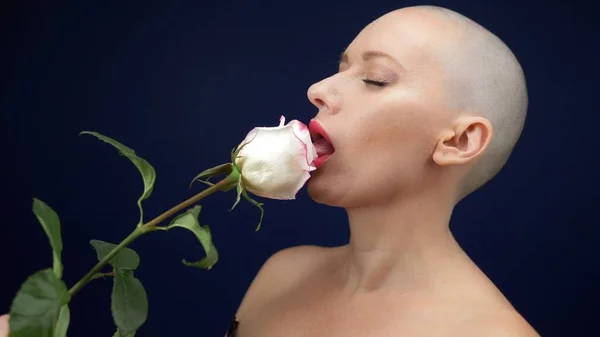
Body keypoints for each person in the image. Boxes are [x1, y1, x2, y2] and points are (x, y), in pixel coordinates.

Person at [1, 5, 538, 337]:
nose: (319, 90)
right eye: (340, 67)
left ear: (460, 140)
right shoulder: (283, 274)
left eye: (374, 79)